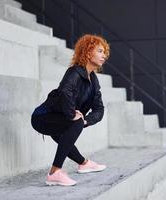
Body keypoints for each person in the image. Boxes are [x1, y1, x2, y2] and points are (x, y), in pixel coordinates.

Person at [31, 34, 110, 186]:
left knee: (73, 128)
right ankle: (55, 172)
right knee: (75, 123)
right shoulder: (74, 72)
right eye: (100, 51)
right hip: (42, 116)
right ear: (87, 52)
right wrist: (72, 113)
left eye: (105, 52)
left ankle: (84, 163)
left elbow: (99, 108)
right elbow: (64, 91)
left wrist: (86, 120)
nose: (104, 55)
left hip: (59, 117)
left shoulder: (93, 80)